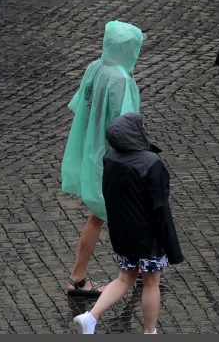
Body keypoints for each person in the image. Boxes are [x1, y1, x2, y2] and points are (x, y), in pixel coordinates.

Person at [73, 112, 184, 334]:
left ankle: (91, 317)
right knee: (152, 283)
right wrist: (171, 246)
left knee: (124, 278)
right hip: (148, 236)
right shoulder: (152, 163)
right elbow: (160, 207)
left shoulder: (110, 156)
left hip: (123, 232)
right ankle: (150, 332)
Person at [61, 20, 144, 296]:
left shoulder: (94, 68)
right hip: (114, 157)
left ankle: (136, 268)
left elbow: (81, 107)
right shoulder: (120, 79)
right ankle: (81, 276)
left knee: (101, 214)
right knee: (119, 212)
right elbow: (124, 124)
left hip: (94, 153)